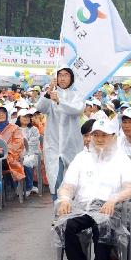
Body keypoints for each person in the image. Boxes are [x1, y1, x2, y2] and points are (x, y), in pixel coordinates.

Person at [55, 119, 131, 260]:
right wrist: (65, 200)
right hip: (83, 206)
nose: (99, 139)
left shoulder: (121, 159)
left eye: (104, 135)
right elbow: (68, 185)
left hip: (109, 206)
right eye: (95, 135)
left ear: (113, 137)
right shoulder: (81, 158)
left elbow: (130, 188)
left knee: (103, 224)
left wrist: (114, 199)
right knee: (67, 225)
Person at [36, 68, 83, 200]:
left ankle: (72, 213)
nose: (62, 78)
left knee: (73, 180)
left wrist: (59, 101)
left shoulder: (77, 95)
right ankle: (58, 215)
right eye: (60, 75)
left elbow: (77, 110)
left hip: (71, 144)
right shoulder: (51, 94)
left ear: (71, 78)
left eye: (66, 75)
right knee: (56, 179)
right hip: (53, 145)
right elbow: (40, 108)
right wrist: (48, 92)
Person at [0, 107, 26, 190]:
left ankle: (2, 190)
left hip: (11, 156)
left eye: (3, 113)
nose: (1, 115)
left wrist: (5, 151)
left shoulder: (14, 128)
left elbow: (18, 143)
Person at [17, 110, 41, 195]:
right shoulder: (15, 129)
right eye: (24, 116)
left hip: (32, 153)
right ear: (19, 118)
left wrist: (24, 149)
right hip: (17, 154)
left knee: (26, 162)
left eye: (28, 116)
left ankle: (29, 186)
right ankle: (19, 186)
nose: (26, 118)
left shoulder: (34, 129)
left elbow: (33, 143)